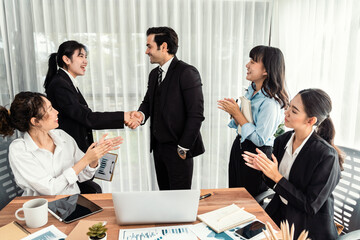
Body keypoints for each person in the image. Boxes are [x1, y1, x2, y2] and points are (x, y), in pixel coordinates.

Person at [243, 89, 343, 239]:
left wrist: (276, 176)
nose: (286, 112)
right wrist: (265, 170)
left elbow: (310, 206)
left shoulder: (326, 156)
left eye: (294, 111)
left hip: (308, 228)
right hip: (281, 215)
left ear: (310, 121)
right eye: (289, 106)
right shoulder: (282, 141)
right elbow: (277, 185)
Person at [43, 40, 136, 193]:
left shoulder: (67, 82)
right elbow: (87, 117)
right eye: (81, 56)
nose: (85, 61)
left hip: (76, 151)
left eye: (86, 57)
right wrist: (124, 116)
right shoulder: (60, 84)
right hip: (69, 155)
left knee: (93, 190)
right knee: (90, 192)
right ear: (66, 59)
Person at [0, 92, 123, 196]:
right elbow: (50, 189)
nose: (57, 112)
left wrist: (93, 159)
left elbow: (83, 175)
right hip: (43, 211)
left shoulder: (62, 136)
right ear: (35, 121)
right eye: (50, 109)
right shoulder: (19, 149)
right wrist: (85, 160)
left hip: (73, 204)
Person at [128, 27, 205, 190]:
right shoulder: (154, 74)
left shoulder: (187, 72)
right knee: (164, 196)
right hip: (158, 149)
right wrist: (140, 115)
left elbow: (196, 115)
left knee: (179, 201)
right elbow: (149, 101)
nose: (146, 51)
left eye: (149, 46)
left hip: (179, 150)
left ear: (163, 47)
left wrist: (183, 148)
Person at [218, 45, 289, 197]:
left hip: (257, 155)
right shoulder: (251, 91)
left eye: (253, 61)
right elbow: (241, 126)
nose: (247, 65)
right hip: (240, 147)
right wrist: (233, 112)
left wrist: (237, 114)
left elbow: (259, 139)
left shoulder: (270, 103)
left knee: (248, 202)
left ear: (266, 70)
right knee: (234, 197)